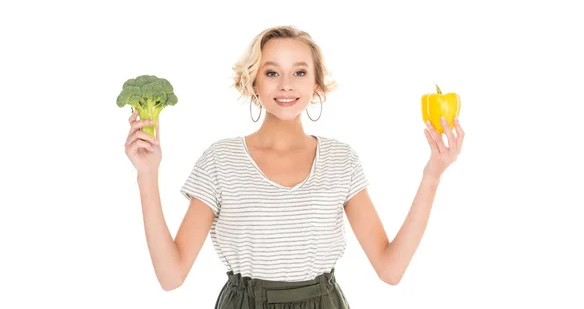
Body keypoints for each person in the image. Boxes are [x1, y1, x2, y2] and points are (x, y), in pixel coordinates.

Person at [125, 25, 465, 308]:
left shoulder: (341, 160)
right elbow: (171, 277)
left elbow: (391, 269)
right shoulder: (220, 160)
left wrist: (433, 173)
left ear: (315, 83)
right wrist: (147, 175)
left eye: (299, 72)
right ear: (253, 83)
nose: (286, 84)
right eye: (271, 72)